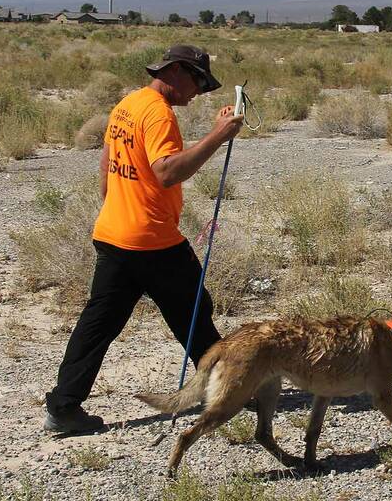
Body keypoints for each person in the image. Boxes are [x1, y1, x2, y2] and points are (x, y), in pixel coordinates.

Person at [44, 44, 243, 434]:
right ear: (176, 72)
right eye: (199, 82)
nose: (199, 92)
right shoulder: (158, 114)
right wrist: (217, 137)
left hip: (114, 234)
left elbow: (107, 167)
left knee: (98, 324)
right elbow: (167, 172)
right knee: (195, 312)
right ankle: (229, 390)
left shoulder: (128, 104)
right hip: (152, 241)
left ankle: (63, 405)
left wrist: (118, 213)